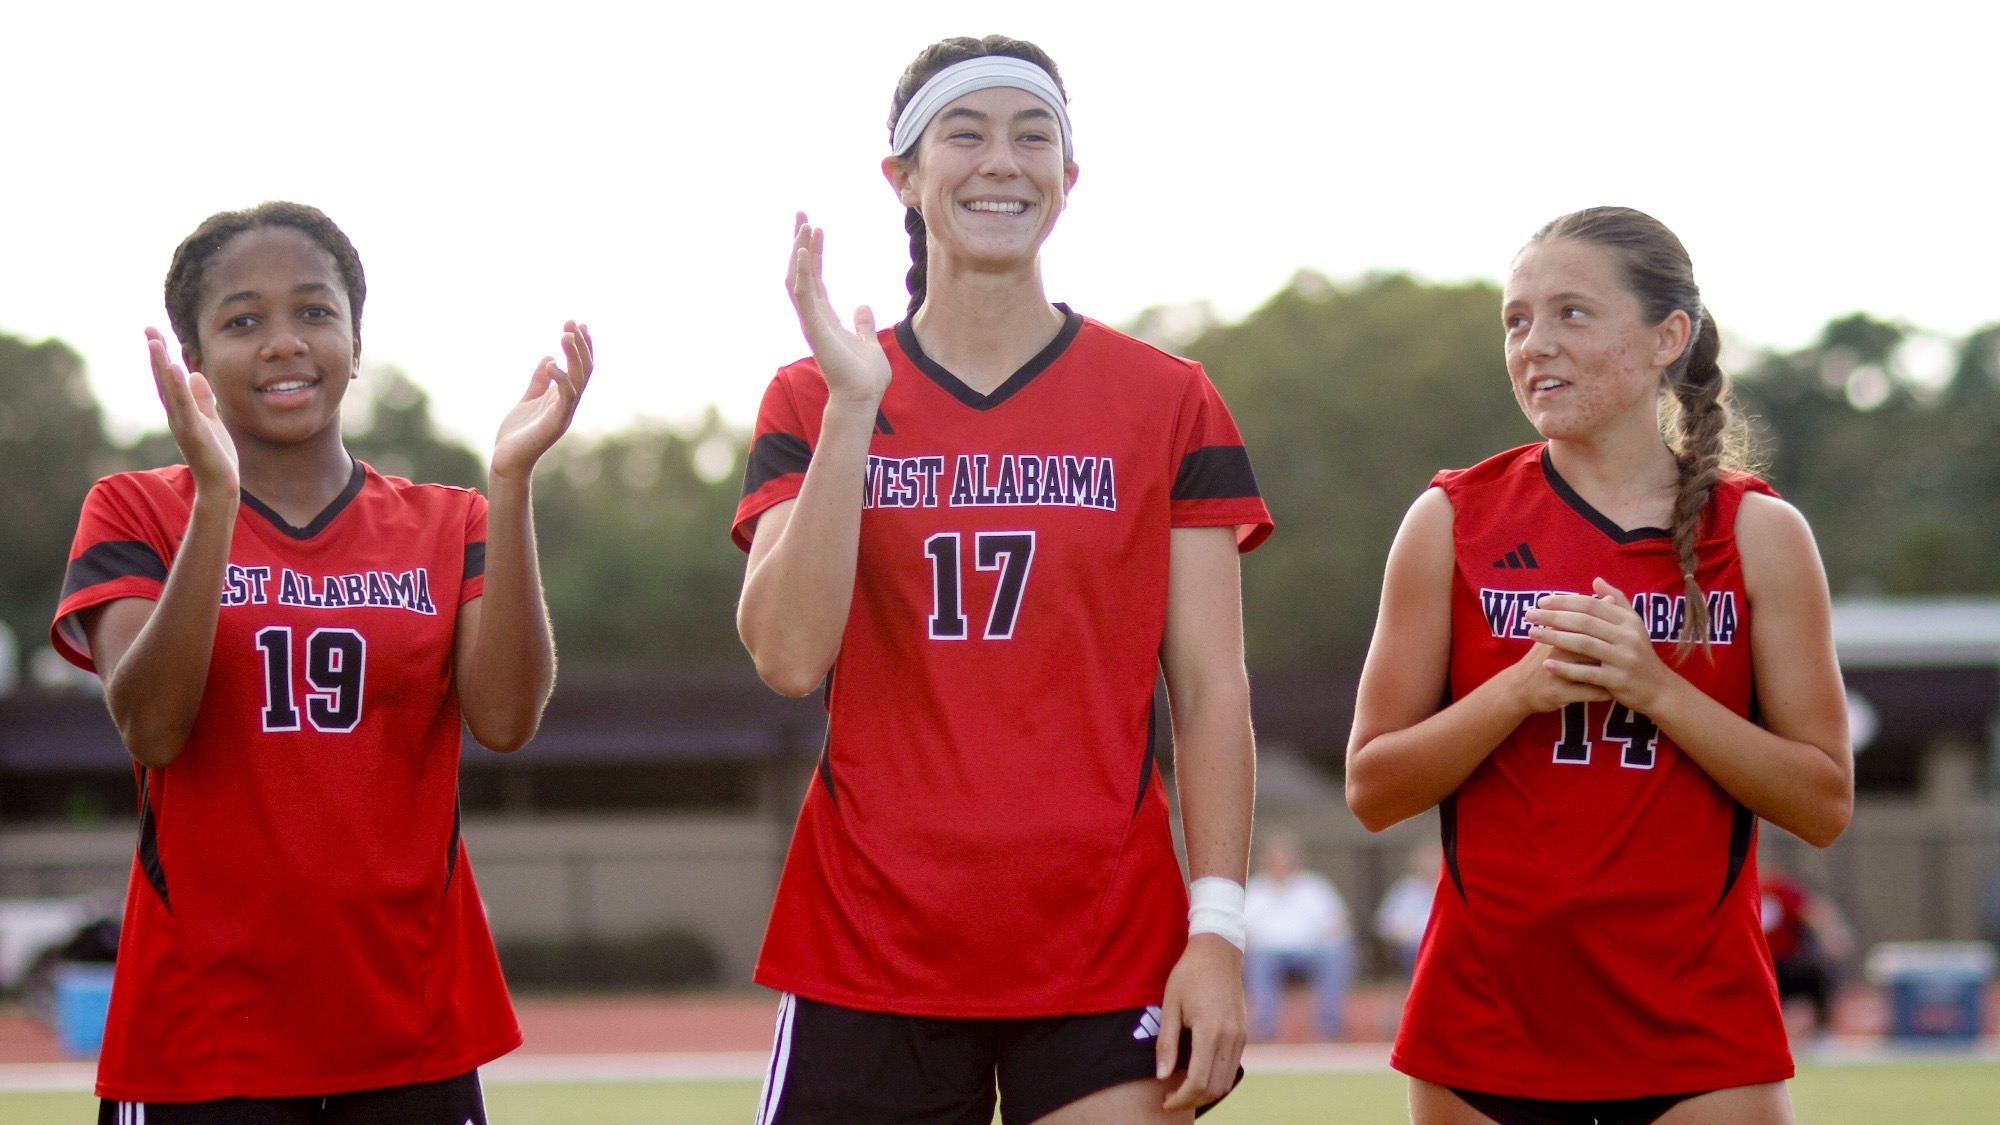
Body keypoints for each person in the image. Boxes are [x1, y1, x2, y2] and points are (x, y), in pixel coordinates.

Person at [733, 35, 1272, 1125]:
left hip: (1103, 935)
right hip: (869, 936)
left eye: (1033, 137)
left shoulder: (1167, 400)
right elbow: (789, 658)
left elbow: (1210, 689)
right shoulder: (811, 393)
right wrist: (852, 408)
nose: (1000, 162)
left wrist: (1215, 929)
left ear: (1067, 180)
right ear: (902, 175)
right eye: (963, 134)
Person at [51, 201, 592, 1123]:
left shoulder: (448, 520)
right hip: (202, 1036)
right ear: (192, 360)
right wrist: (216, 499)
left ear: (354, 336)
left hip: (411, 1027)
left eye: (313, 311)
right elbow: (153, 725)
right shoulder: (134, 509)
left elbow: (505, 720)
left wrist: (510, 484)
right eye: (242, 321)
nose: (283, 343)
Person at [1345, 206, 1853, 1125]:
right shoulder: (1451, 519)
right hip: (1485, 1024)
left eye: (1572, 313)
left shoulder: (1759, 533)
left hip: (1700, 1029)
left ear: (1668, 337)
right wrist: (1518, 690)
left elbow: (1822, 801)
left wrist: (1653, 685)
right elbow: (1373, 786)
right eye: (1516, 319)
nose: (1536, 343)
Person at [1242, 833, 1354, 1041]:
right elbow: (1242, 929)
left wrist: (1329, 939)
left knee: (1337, 951)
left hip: (1311, 951)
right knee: (1257, 957)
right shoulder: (1255, 889)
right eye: (1275, 857)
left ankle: (1329, 1027)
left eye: (1285, 856)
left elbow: (1339, 922)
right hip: (1268, 954)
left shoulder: (1314, 886)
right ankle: (1264, 1028)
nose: (1281, 863)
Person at [1759, 865, 1852, 1040]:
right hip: (1752, 965)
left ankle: (1822, 1032)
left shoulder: (1775, 887)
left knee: (1820, 975)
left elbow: (1814, 910)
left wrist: (1832, 935)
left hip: (1785, 963)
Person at [1374, 843, 1442, 976]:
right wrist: (1403, 934)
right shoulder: (1405, 891)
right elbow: (1384, 925)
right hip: (1414, 946)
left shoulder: (1452, 889)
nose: (1432, 864)